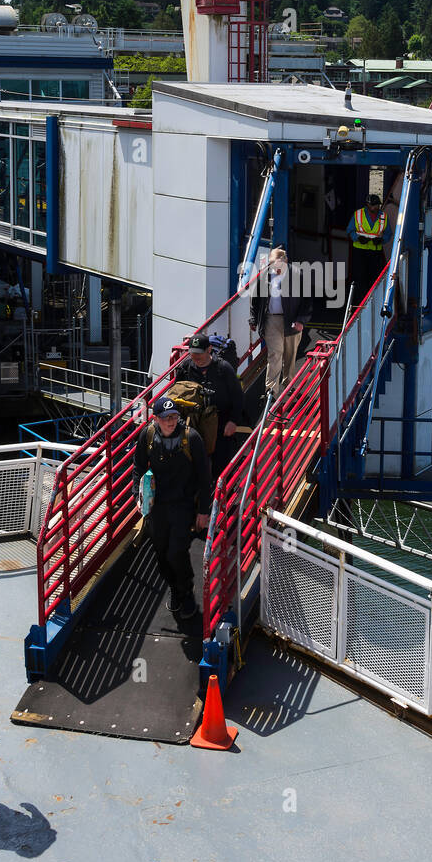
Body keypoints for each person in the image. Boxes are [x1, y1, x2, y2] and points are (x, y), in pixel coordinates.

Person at [132, 397, 212, 620]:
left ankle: (186, 590)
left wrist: (203, 511)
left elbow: (205, 478)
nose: (171, 421)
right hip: (157, 506)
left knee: (176, 551)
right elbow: (138, 466)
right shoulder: (147, 436)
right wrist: (137, 496)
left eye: (174, 416)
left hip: (183, 505)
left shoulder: (191, 438)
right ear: (156, 419)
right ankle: (174, 587)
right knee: (160, 553)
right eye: (166, 418)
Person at [173, 332, 245, 480]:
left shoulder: (223, 368)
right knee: (194, 465)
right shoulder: (185, 368)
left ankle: (225, 498)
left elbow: (237, 397)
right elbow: (176, 394)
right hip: (194, 424)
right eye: (192, 353)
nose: (196, 357)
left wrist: (233, 421)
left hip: (221, 423)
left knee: (222, 465)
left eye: (199, 353)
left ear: (209, 350)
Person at [249, 246, 312, 402]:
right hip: (271, 320)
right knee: (275, 355)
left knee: (290, 356)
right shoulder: (265, 276)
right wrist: (253, 320)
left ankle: (289, 384)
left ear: (286, 262)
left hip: (292, 321)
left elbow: (307, 301)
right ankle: (271, 391)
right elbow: (255, 299)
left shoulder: (298, 275)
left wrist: (301, 320)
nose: (275, 268)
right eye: (272, 265)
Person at [347, 193, 388, 298]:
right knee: (360, 278)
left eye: (377, 205)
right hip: (360, 251)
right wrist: (357, 238)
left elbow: (389, 233)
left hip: (375, 252)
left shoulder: (383, 216)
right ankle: (360, 302)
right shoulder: (358, 214)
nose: (376, 207)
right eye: (374, 205)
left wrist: (382, 240)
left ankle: (372, 300)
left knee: (374, 278)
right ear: (368, 205)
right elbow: (350, 230)